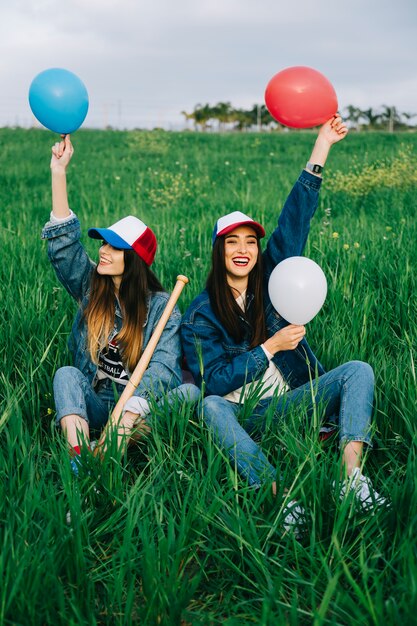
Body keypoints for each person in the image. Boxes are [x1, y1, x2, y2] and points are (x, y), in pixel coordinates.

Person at [181, 116, 386, 531]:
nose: (243, 249)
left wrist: (322, 146)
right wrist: (269, 348)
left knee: (358, 371)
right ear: (219, 252)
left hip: (296, 403)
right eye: (232, 242)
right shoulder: (200, 314)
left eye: (250, 242)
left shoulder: (273, 281)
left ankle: (352, 479)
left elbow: (296, 218)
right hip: (248, 413)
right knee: (209, 406)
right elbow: (214, 381)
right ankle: (279, 495)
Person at [42, 134, 197, 472]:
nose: (103, 250)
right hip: (98, 402)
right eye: (104, 243)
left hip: (138, 407)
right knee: (66, 374)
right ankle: (80, 456)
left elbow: (164, 370)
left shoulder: (162, 308)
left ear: (135, 259)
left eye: (114, 247)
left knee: (189, 395)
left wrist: (124, 420)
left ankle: (114, 443)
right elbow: (65, 247)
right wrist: (59, 172)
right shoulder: (91, 287)